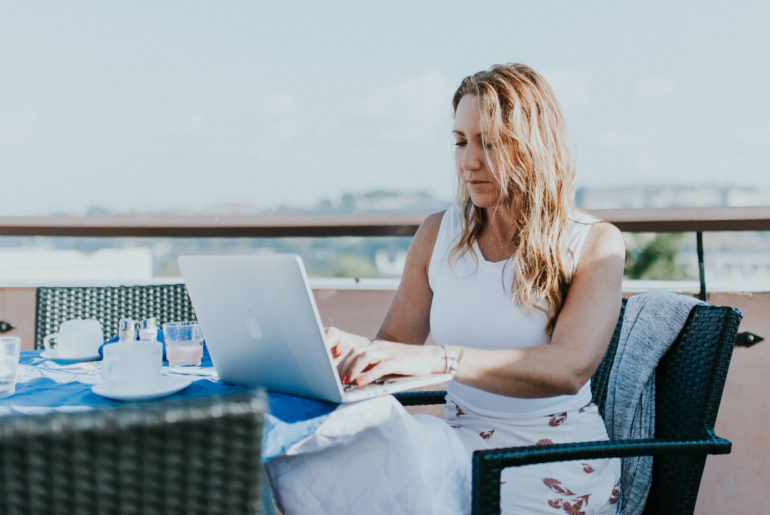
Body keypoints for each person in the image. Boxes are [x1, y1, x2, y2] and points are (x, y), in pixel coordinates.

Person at [273, 63, 625, 514]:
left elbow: (570, 368)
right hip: (456, 449)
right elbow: (398, 343)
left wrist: (442, 359)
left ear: (534, 147)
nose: (469, 162)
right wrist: (354, 352)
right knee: (318, 466)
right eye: (460, 142)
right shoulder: (438, 233)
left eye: (490, 143)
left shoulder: (594, 242)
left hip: (552, 462)